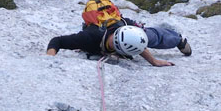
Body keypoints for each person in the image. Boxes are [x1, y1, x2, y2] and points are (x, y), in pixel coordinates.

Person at [46, 20, 192, 67]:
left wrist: (153, 61)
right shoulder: (87, 39)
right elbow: (57, 41)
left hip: (125, 24)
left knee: (152, 36)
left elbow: (138, 44)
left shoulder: (128, 32)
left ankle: (178, 39)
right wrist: (49, 58)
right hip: (100, 29)